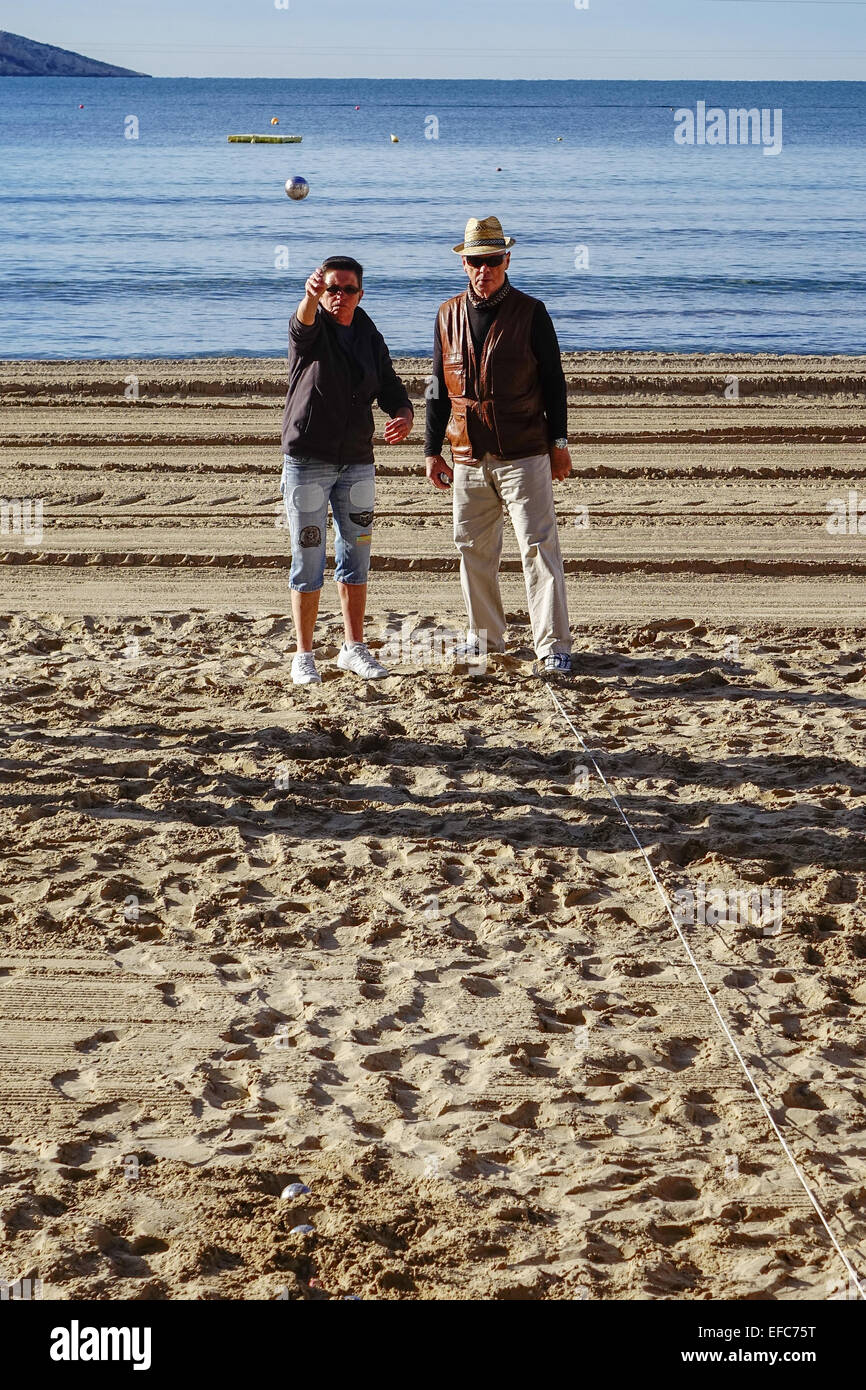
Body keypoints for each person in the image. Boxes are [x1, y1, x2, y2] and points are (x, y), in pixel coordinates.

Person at [424, 216, 573, 675]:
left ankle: (553, 646)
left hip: (525, 450)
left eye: (490, 261)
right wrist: (431, 450)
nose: (482, 270)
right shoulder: (447, 314)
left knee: (538, 546)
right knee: (472, 548)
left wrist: (559, 442)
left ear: (506, 259)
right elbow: (436, 386)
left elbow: (554, 383)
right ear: (463, 264)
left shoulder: (532, 312)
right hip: (467, 452)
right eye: (474, 262)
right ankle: (484, 638)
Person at [280, 256, 413, 684]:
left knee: (356, 556)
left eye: (348, 289)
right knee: (309, 555)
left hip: (357, 462)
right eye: (331, 289)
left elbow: (390, 385)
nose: (339, 296)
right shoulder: (311, 325)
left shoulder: (368, 334)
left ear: (361, 293)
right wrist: (308, 296)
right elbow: (302, 326)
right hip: (308, 461)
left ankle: (353, 648)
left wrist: (405, 413)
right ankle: (304, 654)